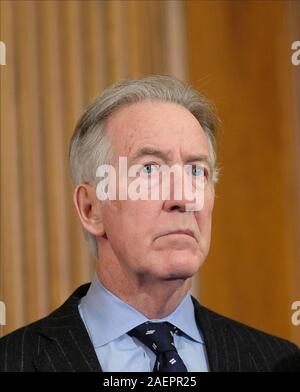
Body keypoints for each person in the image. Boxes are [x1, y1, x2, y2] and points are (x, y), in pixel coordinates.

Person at [0, 75, 299, 372]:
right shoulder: (14, 362)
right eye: (150, 170)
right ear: (91, 208)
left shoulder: (277, 361)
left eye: (197, 171)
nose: (183, 197)